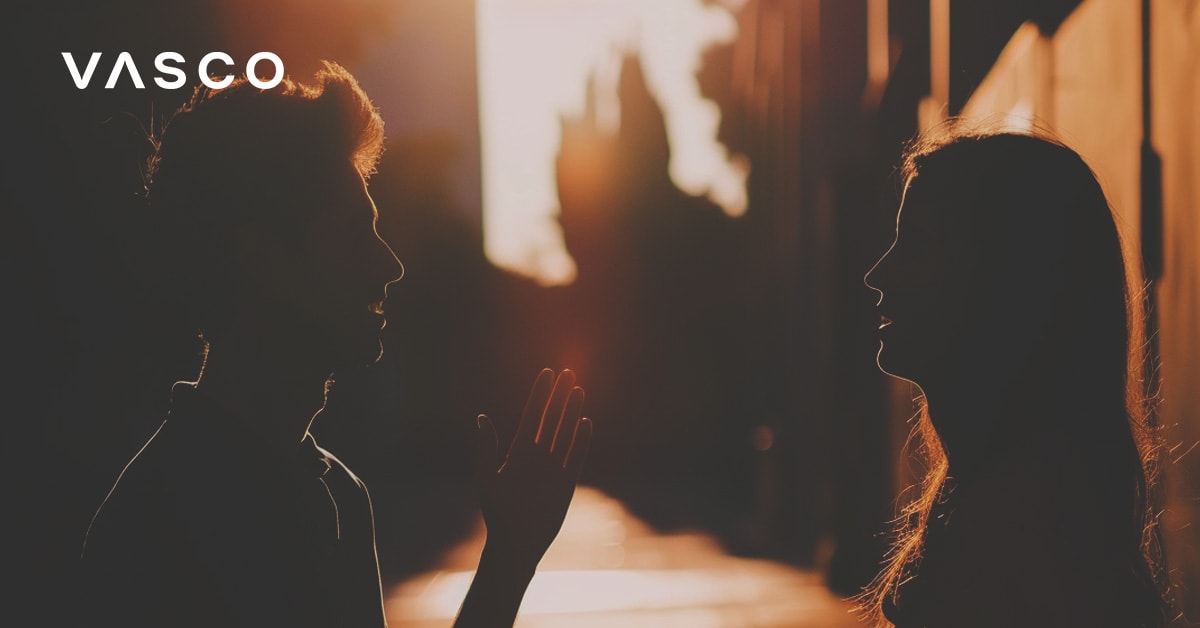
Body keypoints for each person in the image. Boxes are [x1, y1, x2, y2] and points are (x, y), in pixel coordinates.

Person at [76, 61, 593, 628]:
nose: (389, 266)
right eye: (353, 233)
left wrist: (509, 559)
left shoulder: (341, 499)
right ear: (260, 257)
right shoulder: (153, 528)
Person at [859, 129, 1173, 627]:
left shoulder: (1022, 529)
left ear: (999, 278)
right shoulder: (1013, 497)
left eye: (915, 244)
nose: (879, 274)